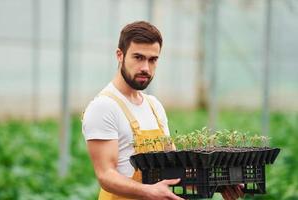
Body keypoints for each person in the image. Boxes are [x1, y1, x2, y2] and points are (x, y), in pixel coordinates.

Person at [82, 21, 243, 200]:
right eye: (138, 57)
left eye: (153, 59)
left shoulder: (154, 106)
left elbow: (173, 169)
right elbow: (106, 175)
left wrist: (216, 182)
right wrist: (150, 191)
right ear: (120, 55)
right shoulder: (104, 107)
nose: (146, 68)